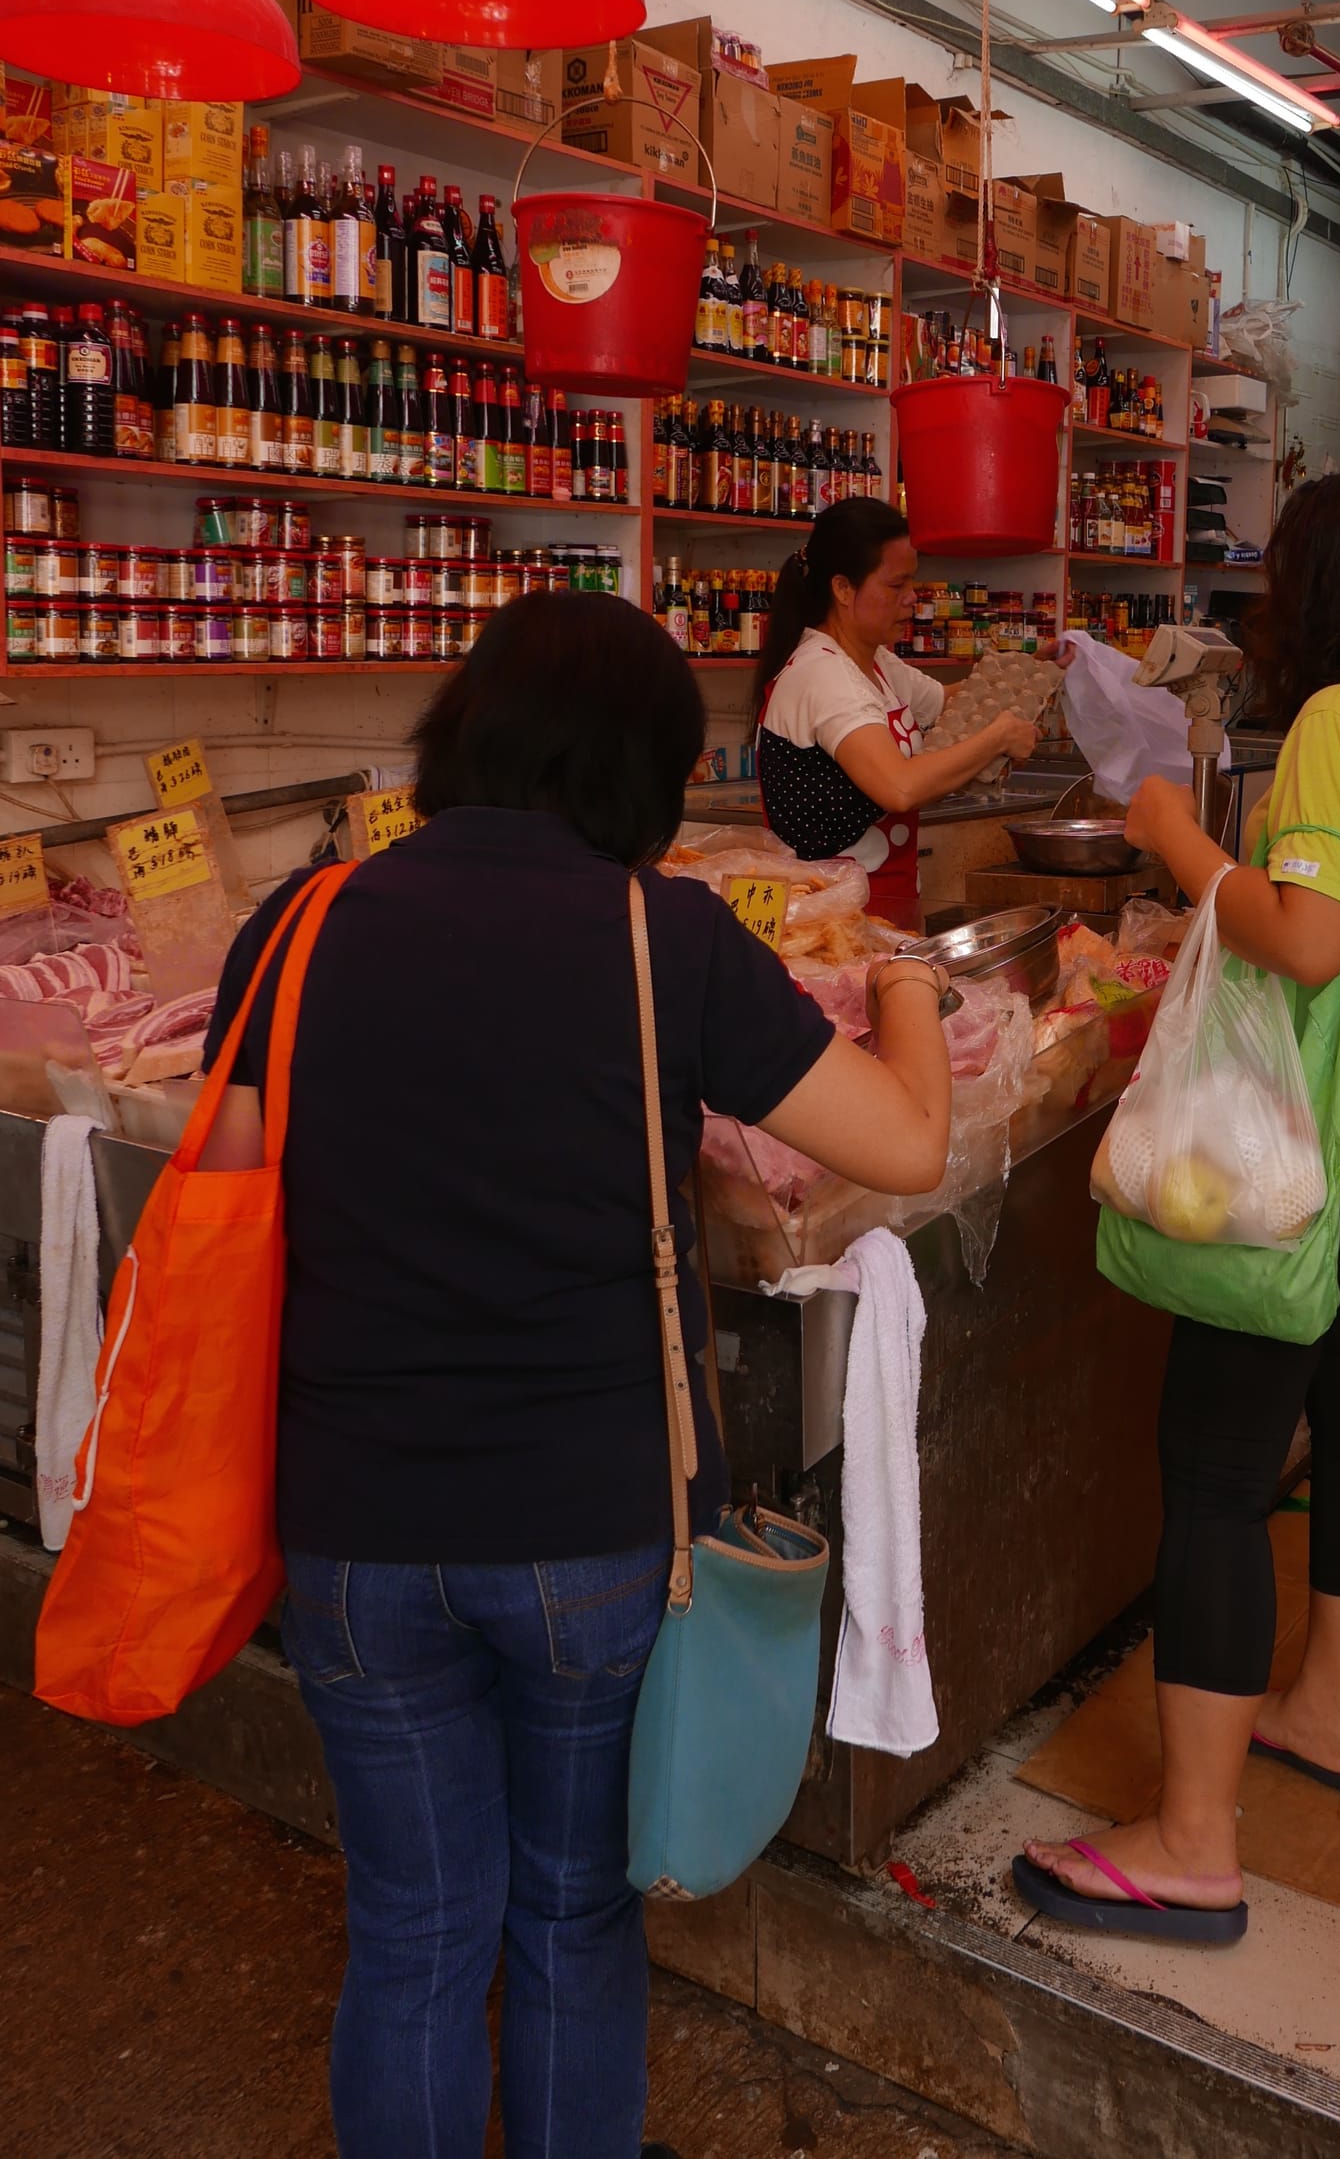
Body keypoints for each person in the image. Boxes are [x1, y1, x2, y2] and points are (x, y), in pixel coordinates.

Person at [195, 590, 955, 2159]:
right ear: (643, 768)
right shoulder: (655, 928)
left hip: (352, 1522)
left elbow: (234, 1184)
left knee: (411, 1928)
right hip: (589, 1529)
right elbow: (909, 1139)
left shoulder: (303, 917)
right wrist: (907, 986)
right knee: (570, 1906)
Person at [1017, 466, 1340, 1941]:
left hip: (1306, 1166)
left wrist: (1174, 834)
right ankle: (1325, 1712)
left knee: (1220, 1478)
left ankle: (1190, 1841)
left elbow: (1305, 942)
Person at [753, 498, 1040, 930]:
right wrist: (997, 737)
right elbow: (899, 788)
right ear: (843, 588)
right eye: (895, 585)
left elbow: (953, 704)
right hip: (825, 925)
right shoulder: (823, 674)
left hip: (884, 910)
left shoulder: (874, 662)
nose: (912, 599)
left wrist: (1032, 672)